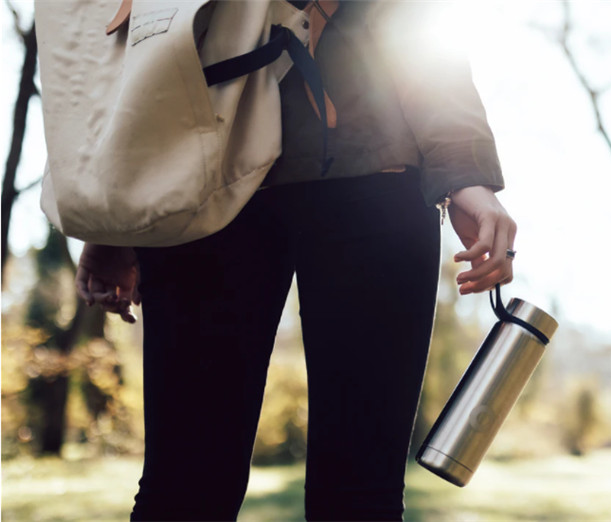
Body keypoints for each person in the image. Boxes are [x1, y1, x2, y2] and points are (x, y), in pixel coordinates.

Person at [73, 2, 517, 520]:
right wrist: (114, 212)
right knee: (186, 488)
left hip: (362, 169)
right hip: (205, 176)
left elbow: (415, 23)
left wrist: (466, 172)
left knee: (352, 495)